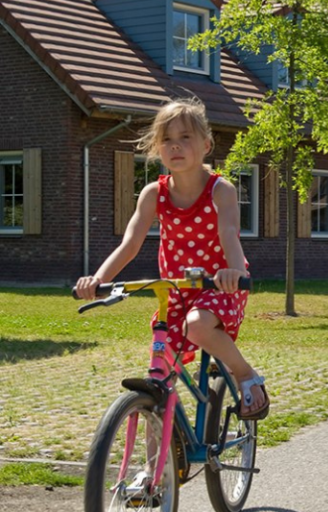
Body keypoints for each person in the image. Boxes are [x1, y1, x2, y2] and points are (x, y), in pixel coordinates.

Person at [75, 98, 269, 420]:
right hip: (176, 289)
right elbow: (130, 243)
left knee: (197, 325)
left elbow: (229, 234)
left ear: (206, 144)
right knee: (160, 375)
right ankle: (157, 465)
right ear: (156, 148)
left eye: (185, 138)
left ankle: (245, 373)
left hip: (220, 286)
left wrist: (233, 271)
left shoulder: (221, 190)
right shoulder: (154, 193)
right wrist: (97, 278)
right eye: (166, 140)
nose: (175, 147)